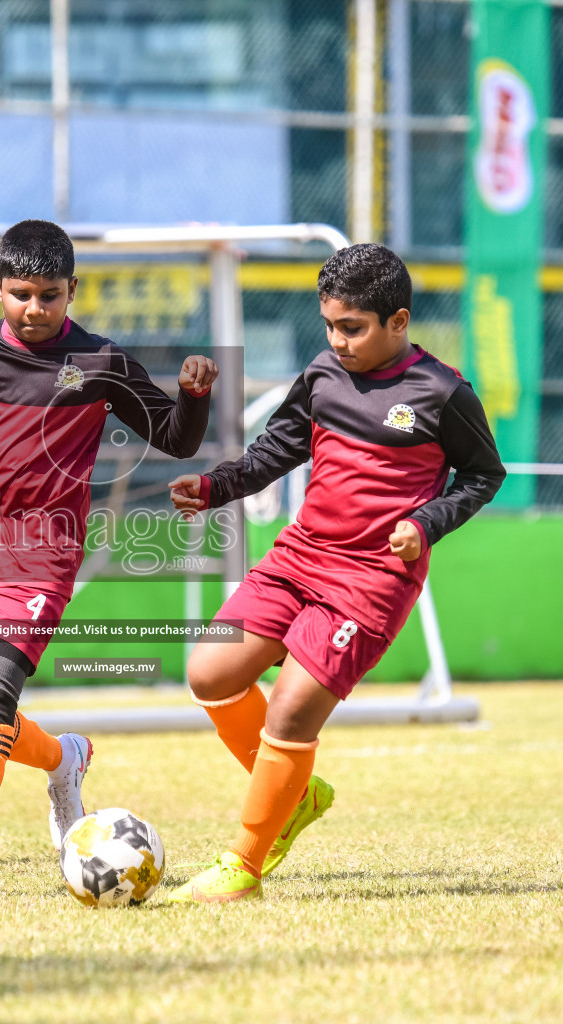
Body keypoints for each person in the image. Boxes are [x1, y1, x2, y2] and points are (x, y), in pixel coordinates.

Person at [0, 219, 219, 897]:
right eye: (22, 295)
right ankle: (65, 760)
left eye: (50, 296)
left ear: (73, 291)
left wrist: (195, 395)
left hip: (43, 553)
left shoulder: (102, 363)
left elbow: (177, 440)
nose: (35, 309)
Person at [162, 243, 505, 903]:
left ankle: (242, 866)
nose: (338, 341)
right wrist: (213, 488)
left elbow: (485, 475)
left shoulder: (442, 392)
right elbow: (276, 450)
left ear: (398, 322)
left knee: (290, 714)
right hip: (300, 554)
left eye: (353, 328)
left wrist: (426, 523)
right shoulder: (323, 374)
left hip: (370, 578)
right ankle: (298, 793)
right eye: (330, 326)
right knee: (210, 672)